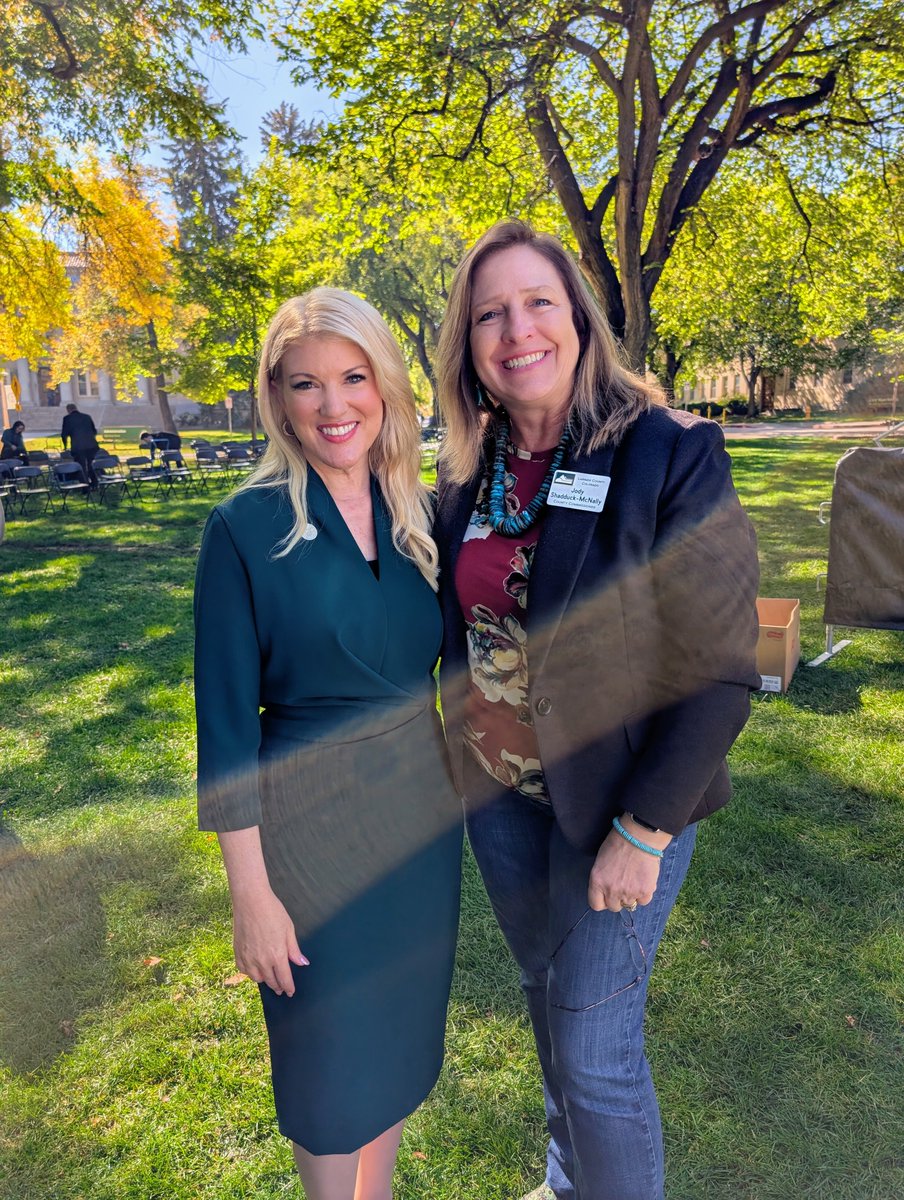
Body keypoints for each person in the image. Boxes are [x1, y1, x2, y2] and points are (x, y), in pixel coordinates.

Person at [433, 220, 760, 1200]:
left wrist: (644, 829)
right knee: (544, 1003)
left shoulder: (667, 454)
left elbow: (721, 669)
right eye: (489, 314)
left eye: (537, 302)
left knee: (594, 1046)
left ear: (579, 319)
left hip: (622, 810)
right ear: (468, 347)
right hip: (499, 802)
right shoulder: (465, 473)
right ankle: (568, 1178)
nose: (515, 329)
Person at [193, 287, 462, 1200]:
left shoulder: (415, 508)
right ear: (277, 397)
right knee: (324, 1062)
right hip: (308, 843)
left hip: (420, 824)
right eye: (306, 384)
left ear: (385, 385)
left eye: (353, 377)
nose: (334, 405)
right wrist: (251, 896)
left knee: (396, 1033)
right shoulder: (243, 528)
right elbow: (225, 730)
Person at [60, 403, 99, 487]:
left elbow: (64, 434)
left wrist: (65, 446)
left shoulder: (67, 419)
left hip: (78, 446)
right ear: (76, 408)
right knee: (90, 464)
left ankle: (85, 486)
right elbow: (94, 431)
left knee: (80, 466)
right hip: (91, 445)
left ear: (68, 410)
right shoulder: (87, 416)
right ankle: (95, 483)